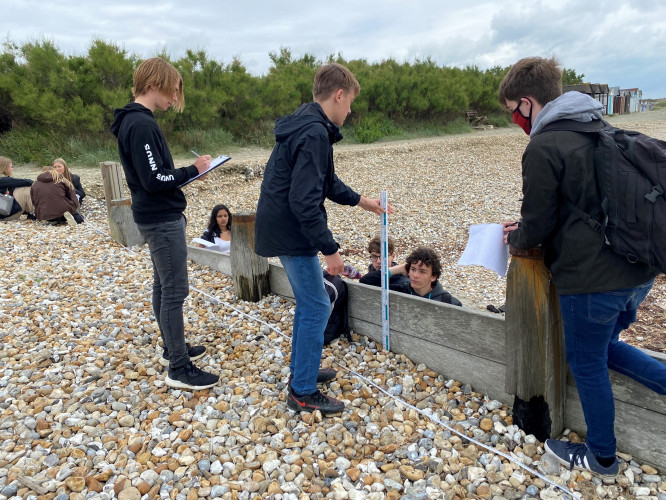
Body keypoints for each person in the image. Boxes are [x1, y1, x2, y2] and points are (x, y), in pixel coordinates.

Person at [499, 56, 664, 477]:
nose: (517, 121)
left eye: (514, 113)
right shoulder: (599, 127)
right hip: (639, 271)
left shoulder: (544, 145)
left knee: (586, 361)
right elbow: (587, 200)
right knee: (605, 346)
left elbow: (536, 226)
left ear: (527, 102)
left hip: (592, 281)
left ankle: (602, 457)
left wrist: (515, 238)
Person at [254, 63, 391, 415]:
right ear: (339, 95)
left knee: (310, 303)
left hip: (282, 226)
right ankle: (301, 391)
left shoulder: (308, 124)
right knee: (316, 305)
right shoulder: (314, 133)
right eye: (350, 104)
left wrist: (362, 201)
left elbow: (326, 182)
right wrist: (330, 250)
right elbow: (303, 201)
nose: (350, 111)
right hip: (291, 231)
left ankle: (304, 371)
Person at [109, 57, 218, 391]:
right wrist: (193, 171)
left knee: (162, 284)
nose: (174, 98)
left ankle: (173, 349)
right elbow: (155, 178)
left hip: (153, 214)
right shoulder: (141, 124)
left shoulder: (134, 120)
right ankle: (179, 368)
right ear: (154, 84)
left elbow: (151, 175)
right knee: (174, 290)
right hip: (160, 218)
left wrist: (185, 172)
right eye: (172, 90)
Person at [360, 246, 462, 305]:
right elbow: (365, 282)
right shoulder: (401, 289)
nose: (415, 275)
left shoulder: (448, 302)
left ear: (433, 276)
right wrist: (398, 269)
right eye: (413, 269)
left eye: (422, 271)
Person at [0, 156, 35, 221]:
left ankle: (31, 212)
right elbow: (26, 182)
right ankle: (35, 212)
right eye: (10, 167)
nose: (12, 169)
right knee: (25, 189)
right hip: (4, 215)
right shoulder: (2, 180)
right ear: (4, 168)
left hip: (3, 213)